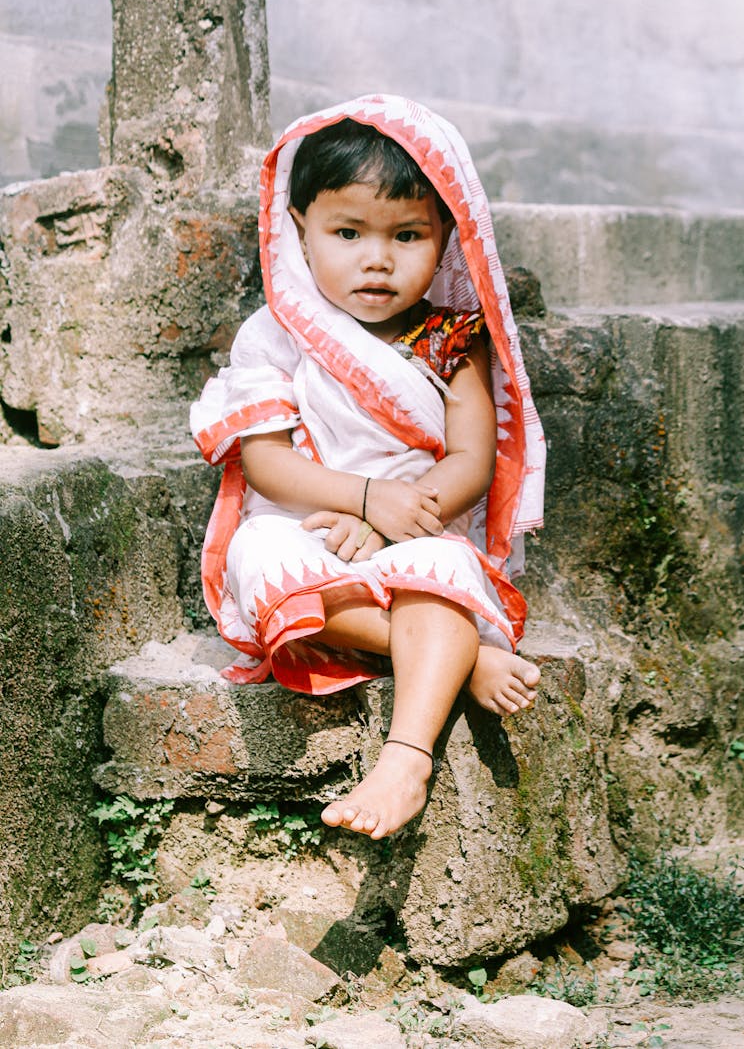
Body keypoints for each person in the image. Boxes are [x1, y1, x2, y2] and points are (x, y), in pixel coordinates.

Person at [191, 94, 546, 840]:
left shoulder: (452, 340)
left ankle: (406, 759)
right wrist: (360, 500)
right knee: (259, 562)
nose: (377, 257)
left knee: (437, 576)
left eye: (408, 234)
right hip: (309, 525)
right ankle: (459, 654)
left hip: (417, 524)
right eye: (348, 231)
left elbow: (471, 459)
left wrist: (395, 518)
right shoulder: (277, 334)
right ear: (300, 230)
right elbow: (267, 464)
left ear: (446, 238)